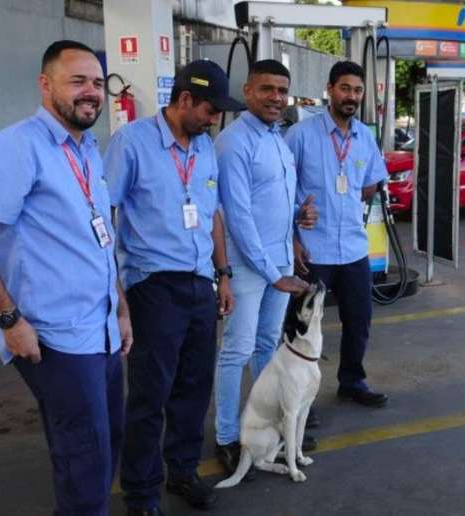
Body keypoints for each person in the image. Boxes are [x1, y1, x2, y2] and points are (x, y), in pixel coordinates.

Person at [0, 40, 132, 515]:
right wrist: (9, 320)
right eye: (77, 81)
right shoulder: (19, 146)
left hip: (102, 330)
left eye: (96, 82)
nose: (91, 92)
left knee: (101, 448)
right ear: (45, 85)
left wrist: (121, 308)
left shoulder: (88, 148)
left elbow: (99, 239)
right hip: (57, 338)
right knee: (85, 462)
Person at [103, 60, 241, 516]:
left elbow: (213, 214)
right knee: (150, 393)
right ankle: (141, 492)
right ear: (184, 100)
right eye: (209, 109)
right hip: (153, 286)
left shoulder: (205, 149)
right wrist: (117, 294)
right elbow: (104, 215)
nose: (214, 118)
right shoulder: (132, 143)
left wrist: (223, 274)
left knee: (193, 387)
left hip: (200, 284)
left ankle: (182, 471)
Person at [213, 59, 318, 475]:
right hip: (248, 266)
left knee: (266, 347)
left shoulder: (279, 139)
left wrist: (299, 217)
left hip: (277, 265)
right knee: (236, 351)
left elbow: (273, 201)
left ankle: (269, 423)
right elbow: (237, 216)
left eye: (282, 90)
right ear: (248, 91)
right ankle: (226, 436)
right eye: (267, 89)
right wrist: (273, 272)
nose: (276, 97)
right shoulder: (233, 142)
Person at [285, 61, 389, 411]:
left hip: (354, 250)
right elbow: (282, 190)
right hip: (313, 250)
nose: (351, 96)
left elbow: (371, 183)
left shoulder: (365, 137)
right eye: (345, 88)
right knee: (303, 326)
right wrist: (295, 235)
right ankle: (299, 398)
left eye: (357, 90)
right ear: (330, 89)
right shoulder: (301, 135)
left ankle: (352, 381)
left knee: (359, 319)